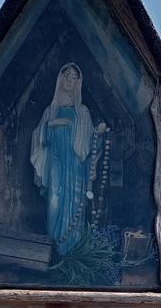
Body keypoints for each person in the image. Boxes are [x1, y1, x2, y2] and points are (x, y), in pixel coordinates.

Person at [30, 63, 105, 257]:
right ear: (60, 78)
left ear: (78, 82)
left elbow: (89, 143)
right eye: (66, 75)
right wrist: (56, 122)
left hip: (76, 165)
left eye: (73, 77)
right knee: (54, 199)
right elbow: (39, 136)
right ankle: (54, 247)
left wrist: (99, 134)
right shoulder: (51, 110)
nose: (69, 80)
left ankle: (72, 251)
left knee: (75, 202)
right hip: (55, 159)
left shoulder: (83, 112)